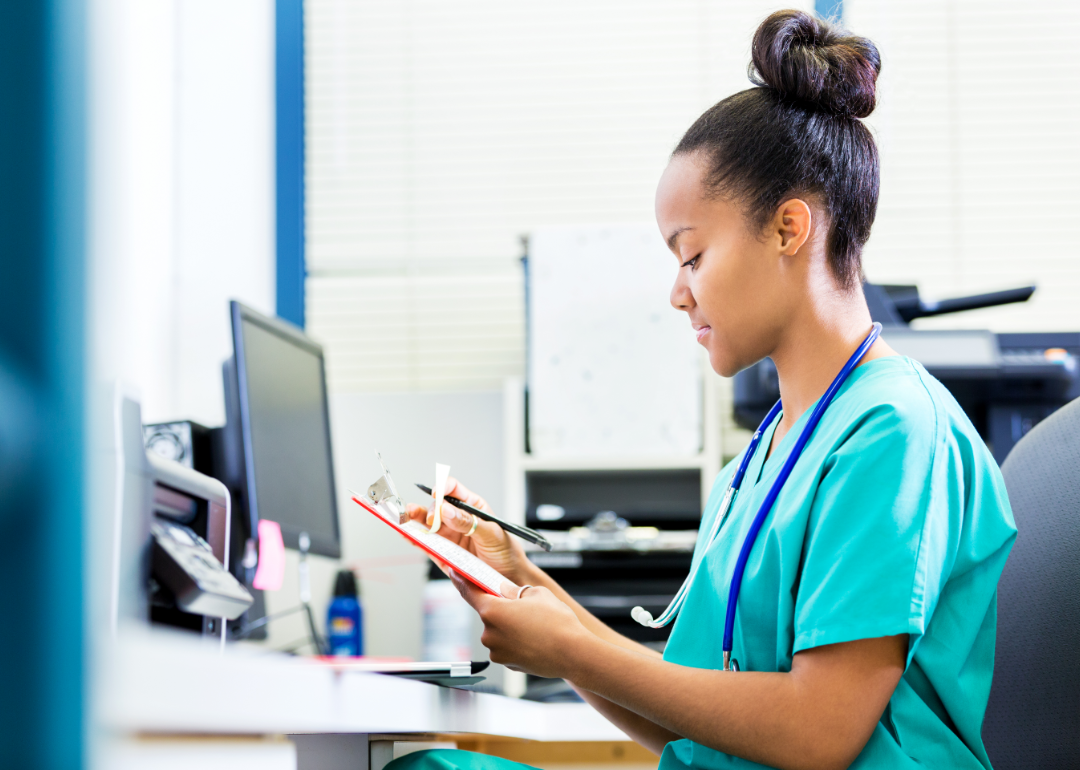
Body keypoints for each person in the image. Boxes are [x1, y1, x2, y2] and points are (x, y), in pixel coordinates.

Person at [395, 10, 1016, 770]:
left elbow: (816, 734)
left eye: (691, 256)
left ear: (790, 229)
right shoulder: (759, 459)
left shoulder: (893, 431)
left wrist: (571, 650)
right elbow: (697, 722)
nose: (678, 294)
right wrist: (516, 579)